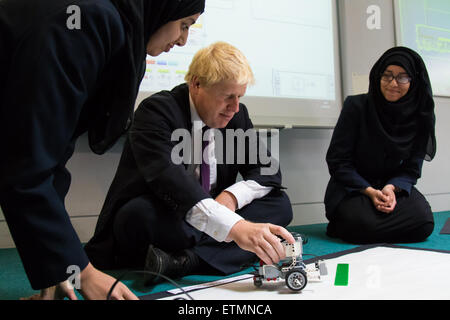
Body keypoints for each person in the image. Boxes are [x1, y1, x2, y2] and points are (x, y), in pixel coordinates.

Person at [0, 0, 205, 300]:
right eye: (184, 24)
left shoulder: (108, 23)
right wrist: (83, 272)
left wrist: (58, 268)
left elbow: (52, 154)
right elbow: (27, 164)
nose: (184, 39)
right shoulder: (92, 21)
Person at [84, 42, 295, 282]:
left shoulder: (237, 114)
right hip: (170, 212)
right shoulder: (156, 111)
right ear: (196, 84)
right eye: (227, 97)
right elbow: (172, 182)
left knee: (280, 203)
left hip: (204, 217)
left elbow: (268, 172)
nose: (234, 108)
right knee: (138, 215)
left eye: (239, 97)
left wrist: (231, 198)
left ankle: (183, 262)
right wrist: (235, 227)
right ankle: (223, 251)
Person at [324, 46, 436, 244]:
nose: (393, 83)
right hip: (354, 189)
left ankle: (360, 229)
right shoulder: (356, 106)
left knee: (424, 221)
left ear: (414, 81)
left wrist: (391, 188)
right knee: (358, 220)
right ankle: (357, 225)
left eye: (402, 77)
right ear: (378, 76)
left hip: (392, 190)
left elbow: (412, 169)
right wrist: (369, 191)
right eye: (387, 75)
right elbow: (338, 161)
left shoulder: (420, 116)